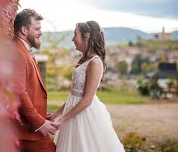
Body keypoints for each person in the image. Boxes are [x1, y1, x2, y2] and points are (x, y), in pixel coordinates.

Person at [48, 21, 125, 152]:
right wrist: (56, 114)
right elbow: (75, 95)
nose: (73, 39)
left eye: (75, 34)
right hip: (72, 113)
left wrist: (62, 120)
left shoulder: (94, 63)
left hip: (84, 116)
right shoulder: (84, 59)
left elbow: (87, 99)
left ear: (87, 36)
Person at [10, 9, 57, 152]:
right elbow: (19, 92)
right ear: (24, 30)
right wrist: (39, 122)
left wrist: (42, 114)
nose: (41, 32)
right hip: (27, 131)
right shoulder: (17, 52)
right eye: (37, 28)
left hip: (28, 128)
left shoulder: (21, 50)